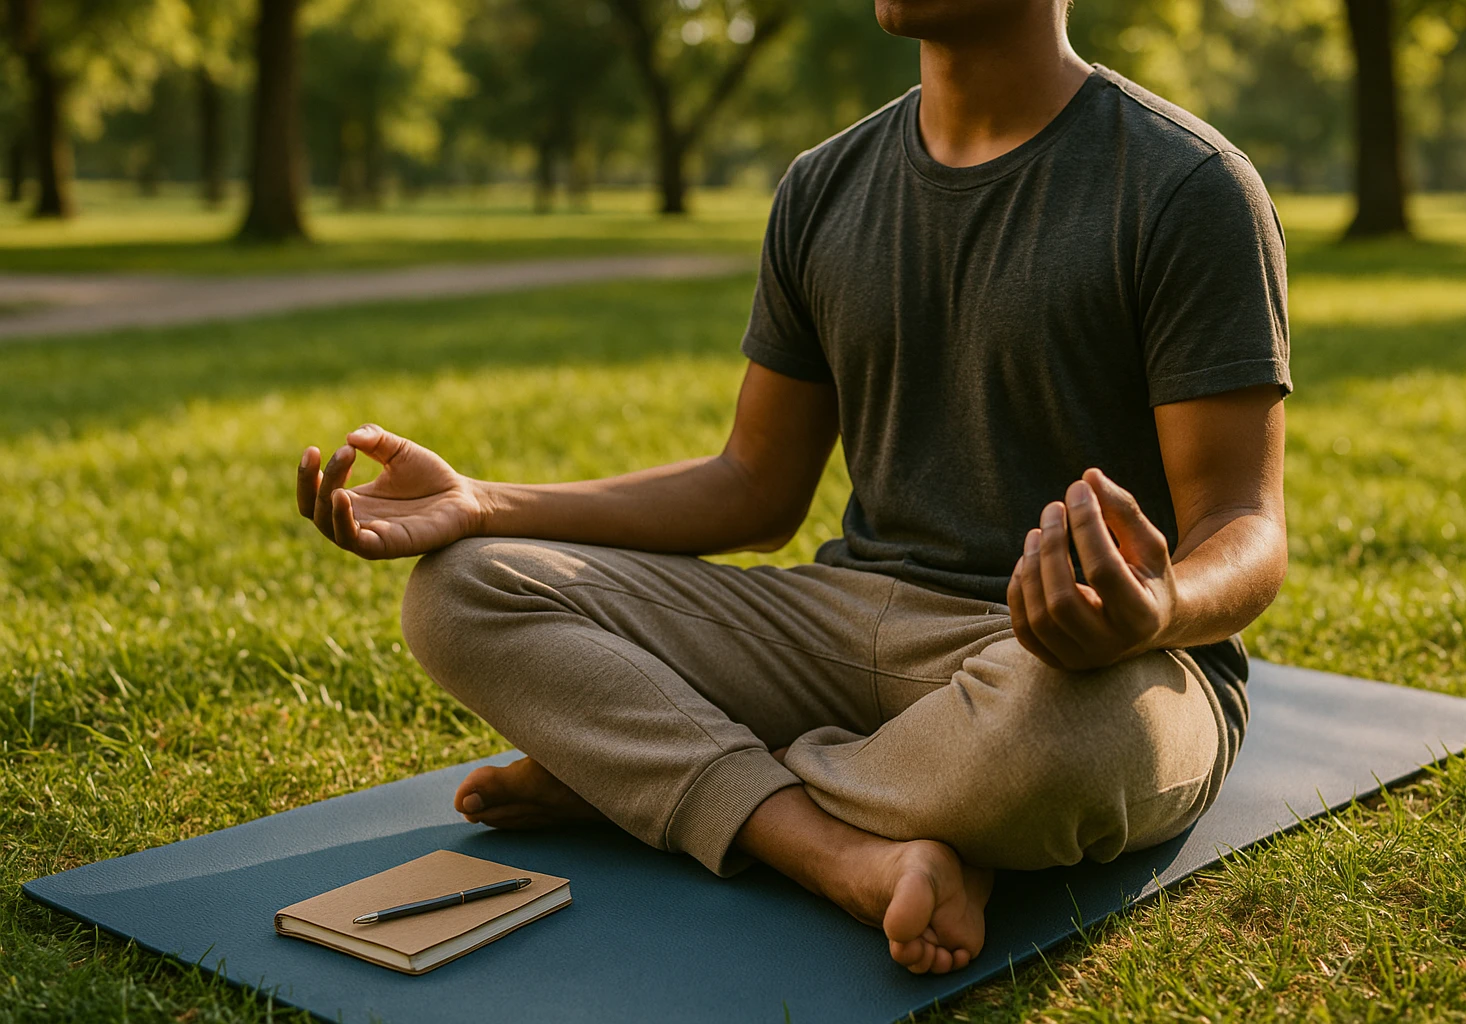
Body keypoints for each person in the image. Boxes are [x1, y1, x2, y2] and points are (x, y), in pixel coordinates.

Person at [296, 0, 1290, 976]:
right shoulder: (824, 185)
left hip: (1076, 667)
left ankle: (661, 777)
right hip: (840, 625)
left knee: (1056, 747)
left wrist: (1154, 606)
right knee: (463, 588)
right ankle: (838, 853)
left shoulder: (1186, 185)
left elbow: (1242, 527)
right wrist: (481, 503)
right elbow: (752, 488)